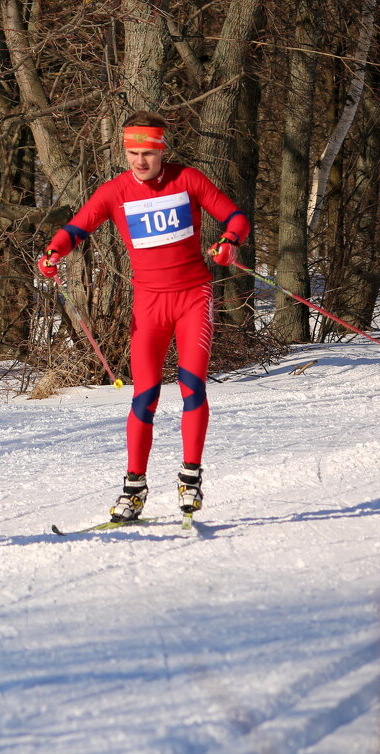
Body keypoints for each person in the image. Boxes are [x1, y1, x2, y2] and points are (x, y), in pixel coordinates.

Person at [37, 111, 251, 522]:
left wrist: (229, 241)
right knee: (145, 395)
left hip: (192, 298)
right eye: (132, 152)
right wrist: (53, 251)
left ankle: (190, 480)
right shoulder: (115, 191)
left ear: (161, 150)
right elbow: (78, 226)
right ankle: (133, 490)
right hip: (149, 305)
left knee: (192, 386)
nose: (139, 161)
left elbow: (236, 217)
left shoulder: (186, 179)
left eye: (147, 154)